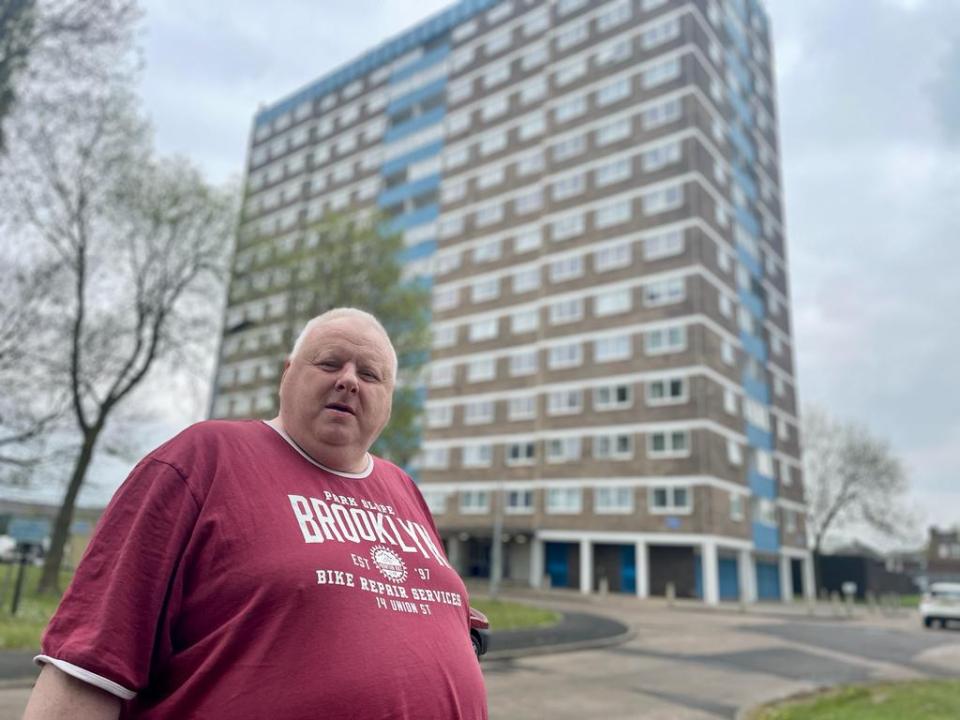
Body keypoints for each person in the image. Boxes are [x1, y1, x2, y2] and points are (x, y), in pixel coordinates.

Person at [24, 308, 488, 720]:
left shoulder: (402, 486)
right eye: (329, 363)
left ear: (388, 400)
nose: (349, 379)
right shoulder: (203, 459)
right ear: (287, 373)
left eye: (371, 374)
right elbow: (87, 664)